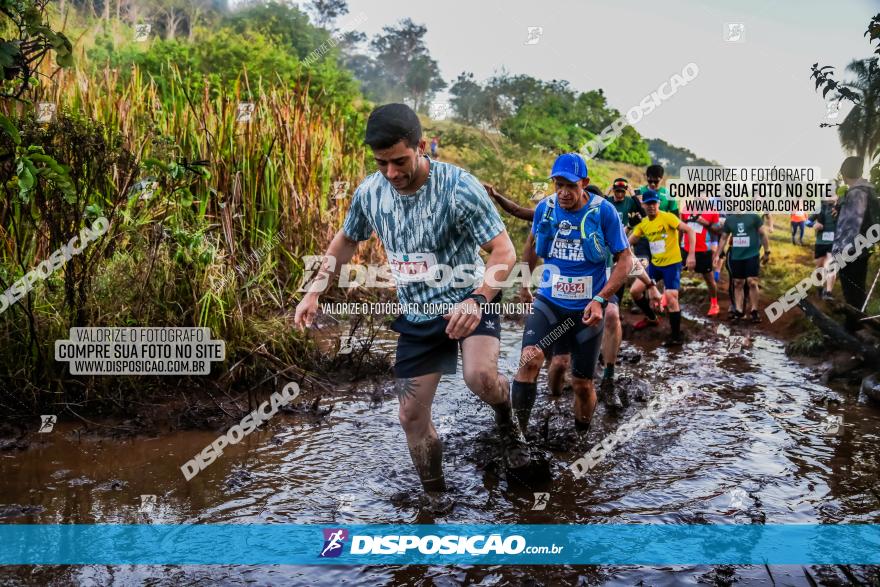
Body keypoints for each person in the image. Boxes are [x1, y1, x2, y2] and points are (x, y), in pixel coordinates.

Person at [294, 103, 531, 507]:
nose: (392, 173)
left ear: (422, 147)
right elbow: (347, 240)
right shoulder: (371, 191)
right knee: (411, 417)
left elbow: (504, 251)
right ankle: (436, 498)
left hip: (472, 299)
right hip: (418, 313)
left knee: (480, 379)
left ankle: (507, 421)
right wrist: (314, 290)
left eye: (400, 161)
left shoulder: (459, 186)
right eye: (382, 163)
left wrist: (477, 301)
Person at [484, 181, 658, 412]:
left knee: (612, 316)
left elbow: (631, 261)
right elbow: (523, 220)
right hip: (557, 300)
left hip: (599, 293)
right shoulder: (552, 214)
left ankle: (608, 373)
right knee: (557, 364)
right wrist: (525, 285)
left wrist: (651, 285)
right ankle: (552, 402)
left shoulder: (607, 224)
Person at [511, 153, 632, 435]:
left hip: (587, 310)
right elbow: (531, 246)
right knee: (529, 360)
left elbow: (624, 259)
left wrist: (602, 298)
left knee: (581, 383)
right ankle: (517, 439)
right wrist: (525, 284)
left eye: (571, 186)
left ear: (585, 183)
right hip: (549, 301)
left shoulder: (604, 212)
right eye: (558, 185)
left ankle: (581, 439)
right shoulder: (546, 208)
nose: (564, 193)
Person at [627, 189, 696, 346]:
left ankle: (676, 337)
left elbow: (690, 230)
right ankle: (652, 318)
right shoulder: (644, 224)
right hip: (656, 265)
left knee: (671, 298)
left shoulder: (668, 217)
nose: (651, 206)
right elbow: (628, 242)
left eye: (654, 203)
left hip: (672, 264)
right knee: (635, 291)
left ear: (658, 203)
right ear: (643, 205)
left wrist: (691, 255)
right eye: (648, 203)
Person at [834, 156, 877, 331]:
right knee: (857, 292)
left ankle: (853, 330)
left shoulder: (856, 192)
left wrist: (839, 253)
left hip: (851, 250)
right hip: (863, 247)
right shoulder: (868, 191)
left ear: (845, 173)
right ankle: (858, 328)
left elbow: (850, 226)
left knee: (852, 294)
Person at [714, 213, 771, 323]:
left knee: (752, 282)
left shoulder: (754, 217)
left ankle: (754, 311)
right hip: (737, 255)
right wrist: (717, 254)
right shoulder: (730, 220)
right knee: (738, 282)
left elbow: (763, 234)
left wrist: (767, 251)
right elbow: (724, 238)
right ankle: (739, 311)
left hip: (752, 254)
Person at [680, 210, 721, 315]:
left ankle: (714, 304)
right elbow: (680, 228)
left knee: (709, 279)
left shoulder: (713, 211)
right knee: (674, 271)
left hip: (704, 250)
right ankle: (666, 298)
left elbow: (718, 231)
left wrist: (705, 223)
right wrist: (678, 243)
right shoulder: (686, 209)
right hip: (685, 248)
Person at [809, 196, 838, 300]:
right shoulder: (819, 208)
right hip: (821, 242)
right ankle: (820, 288)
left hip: (835, 243)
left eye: (833, 194)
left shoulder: (841, 208)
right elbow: (807, 222)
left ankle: (828, 293)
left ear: (837, 196)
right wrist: (814, 224)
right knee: (819, 268)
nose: (830, 197)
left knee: (831, 266)